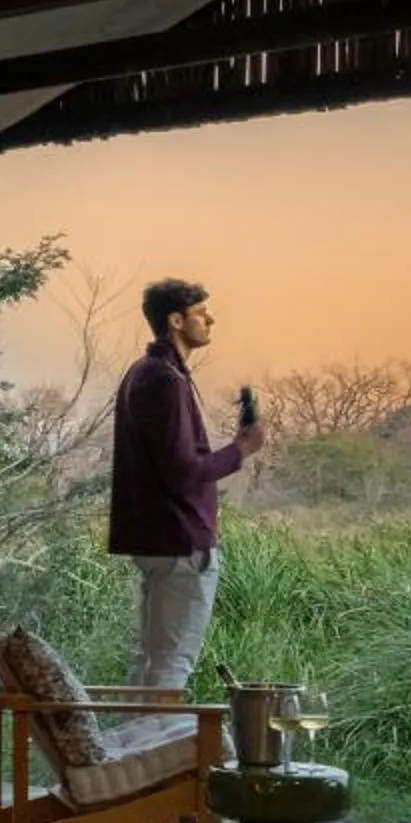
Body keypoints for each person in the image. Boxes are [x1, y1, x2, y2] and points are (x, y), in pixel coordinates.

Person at [107, 276, 265, 693]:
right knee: (171, 664)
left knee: (150, 661)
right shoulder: (165, 380)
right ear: (175, 321)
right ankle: (156, 737)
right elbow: (182, 472)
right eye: (200, 313)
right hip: (179, 541)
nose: (210, 320)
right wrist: (241, 449)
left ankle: (137, 736)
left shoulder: (143, 373)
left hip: (156, 541)